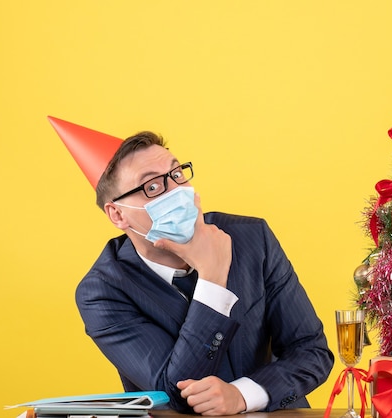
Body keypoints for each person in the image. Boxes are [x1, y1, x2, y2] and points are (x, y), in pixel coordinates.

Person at [48, 117, 334, 415]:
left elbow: (312, 351)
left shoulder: (252, 239)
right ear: (118, 215)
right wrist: (213, 278)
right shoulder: (102, 292)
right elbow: (175, 392)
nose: (175, 191)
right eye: (153, 186)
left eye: (176, 174)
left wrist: (242, 395)